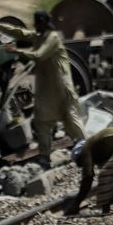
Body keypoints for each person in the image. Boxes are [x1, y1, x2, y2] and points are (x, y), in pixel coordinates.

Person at [26, 12, 85, 163]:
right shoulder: (45, 37)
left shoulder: (52, 38)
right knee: (51, 121)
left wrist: (19, 51)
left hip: (61, 89)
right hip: (54, 90)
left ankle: (83, 148)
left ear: (43, 23)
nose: (37, 27)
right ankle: (49, 155)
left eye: (38, 24)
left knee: (67, 119)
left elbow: (38, 55)